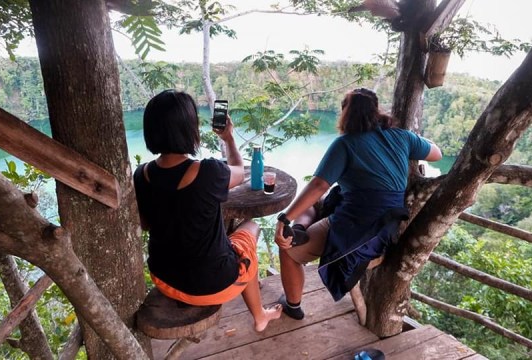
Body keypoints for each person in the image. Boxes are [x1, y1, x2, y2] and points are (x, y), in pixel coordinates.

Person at [274, 88, 442, 320]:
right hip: (387, 227)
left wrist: (284, 218)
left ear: (345, 113)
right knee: (320, 203)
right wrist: (418, 140)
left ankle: (293, 304)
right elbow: (437, 154)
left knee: (289, 250)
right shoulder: (403, 137)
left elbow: (319, 185)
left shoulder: (345, 144)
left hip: (361, 231)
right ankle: (301, 229)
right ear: (376, 111)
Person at [134, 90, 282, 332]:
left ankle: (252, 291)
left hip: (164, 279)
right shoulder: (207, 172)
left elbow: (147, 222)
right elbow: (239, 170)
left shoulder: (142, 174)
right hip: (210, 287)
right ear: (188, 128)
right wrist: (229, 138)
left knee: (231, 246)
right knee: (251, 228)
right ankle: (260, 315)